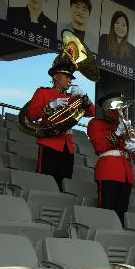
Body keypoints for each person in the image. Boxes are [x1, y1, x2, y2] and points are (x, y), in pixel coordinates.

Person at [26, 51, 95, 190]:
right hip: (50, 142)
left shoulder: (74, 96)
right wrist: (51, 105)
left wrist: (84, 96)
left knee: (64, 184)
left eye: (70, 77)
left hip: (67, 146)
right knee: (45, 181)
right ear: (56, 76)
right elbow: (32, 115)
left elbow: (92, 112)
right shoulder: (43, 92)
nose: (69, 80)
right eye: (66, 76)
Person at [86, 93, 135, 223]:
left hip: (126, 173)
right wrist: (117, 133)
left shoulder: (123, 125)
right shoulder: (95, 123)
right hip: (108, 171)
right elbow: (100, 146)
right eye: (118, 107)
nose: (122, 110)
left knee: (121, 213)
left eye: (123, 107)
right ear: (106, 109)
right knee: (106, 212)